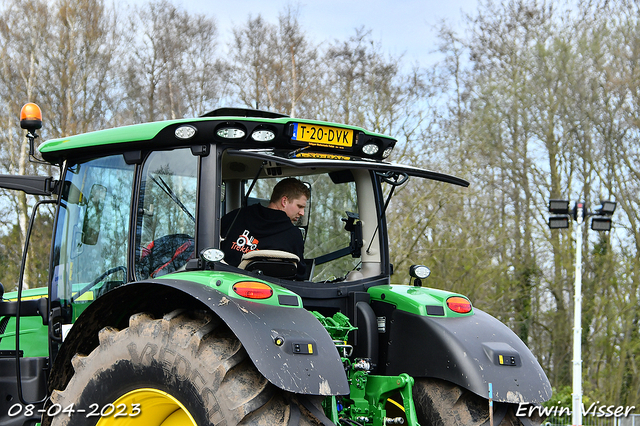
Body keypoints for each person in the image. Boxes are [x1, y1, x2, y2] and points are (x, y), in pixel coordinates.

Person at [220, 178, 310, 278]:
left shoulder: (236, 216)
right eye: (299, 206)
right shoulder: (293, 236)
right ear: (284, 201)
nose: (302, 213)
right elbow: (300, 277)